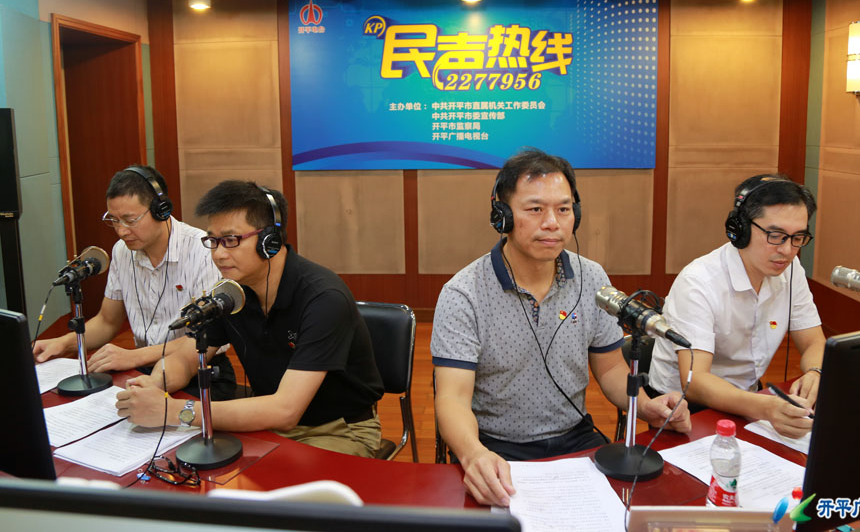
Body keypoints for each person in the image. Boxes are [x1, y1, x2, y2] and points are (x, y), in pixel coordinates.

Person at [431, 149, 691, 507]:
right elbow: (452, 398)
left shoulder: (592, 278)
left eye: (564, 209)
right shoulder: (464, 293)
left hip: (576, 438)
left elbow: (611, 369)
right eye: (535, 209)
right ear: (502, 215)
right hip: (496, 446)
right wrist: (473, 454)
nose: (552, 223)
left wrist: (647, 407)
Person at [116, 181, 385, 457]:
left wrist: (176, 411)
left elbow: (285, 411)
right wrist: (154, 385)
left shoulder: (324, 298)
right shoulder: (232, 293)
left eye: (231, 240)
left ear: (270, 242)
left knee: (269, 483)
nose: (218, 254)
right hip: (266, 421)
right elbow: (185, 358)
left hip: (337, 430)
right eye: (213, 241)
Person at [33, 166, 235, 400]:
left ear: (161, 210)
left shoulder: (203, 251)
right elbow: (107, 321)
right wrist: (63, 343)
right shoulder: (122, 251)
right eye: (114, 220)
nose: (121, 231)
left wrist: (133, 357)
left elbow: (205, 339)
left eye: (130, 220)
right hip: (143, 367)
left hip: (203, 370)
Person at [647, 174, 824, 439]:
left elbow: (814, 341)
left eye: (798, 237)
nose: (788, 250)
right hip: (684, 407)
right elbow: (695, 381)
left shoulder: (790, 269)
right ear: (739, 229)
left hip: (749, 399)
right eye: (776, 236)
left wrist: (816, 372)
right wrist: (767, 408)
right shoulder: (698, 281)